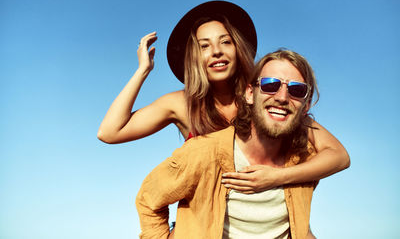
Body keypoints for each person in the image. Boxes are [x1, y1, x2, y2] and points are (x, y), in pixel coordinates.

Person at [97, 0, 349, 195]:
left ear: (237, 48)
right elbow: (109, 132)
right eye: (204, 46)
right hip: (204, 222)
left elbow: (338, 156)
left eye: (225, 42)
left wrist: (277, 177)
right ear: (194, 57)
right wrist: (143, 71)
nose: (216, 52)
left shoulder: (266, 96)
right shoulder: (181, 104)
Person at [136, 49, 332, 238]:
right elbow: (148, 200)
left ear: (305, 106)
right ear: (249, 94)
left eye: (296, 90)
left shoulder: (306, 160)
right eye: (270, 85)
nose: (282, 97)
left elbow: (299, 226)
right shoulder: (203, 153)